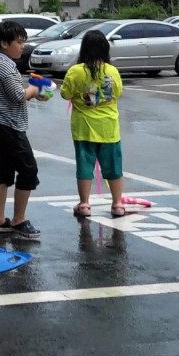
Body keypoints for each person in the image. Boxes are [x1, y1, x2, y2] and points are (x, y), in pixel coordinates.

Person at [0, 19, 51, 240]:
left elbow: (16, 94)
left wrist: (34, 93)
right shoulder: (4, 65)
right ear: (5, 43)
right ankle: (18, 220)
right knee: (28, 170)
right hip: (9, 125)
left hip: (1, 122)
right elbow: (17, 95)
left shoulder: (0, 61)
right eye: (19, 42)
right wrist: (34, 89)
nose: (22, 46)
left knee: (4, 170)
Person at [60, 29, 125, 218]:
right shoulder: (111, 71)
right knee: (113, 167)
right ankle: (117, 204)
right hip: (109, 128)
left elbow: (65, 93)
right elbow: (117, 93)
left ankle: (85, 204)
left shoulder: (76, 71)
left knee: (85, 166)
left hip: (83, 128)